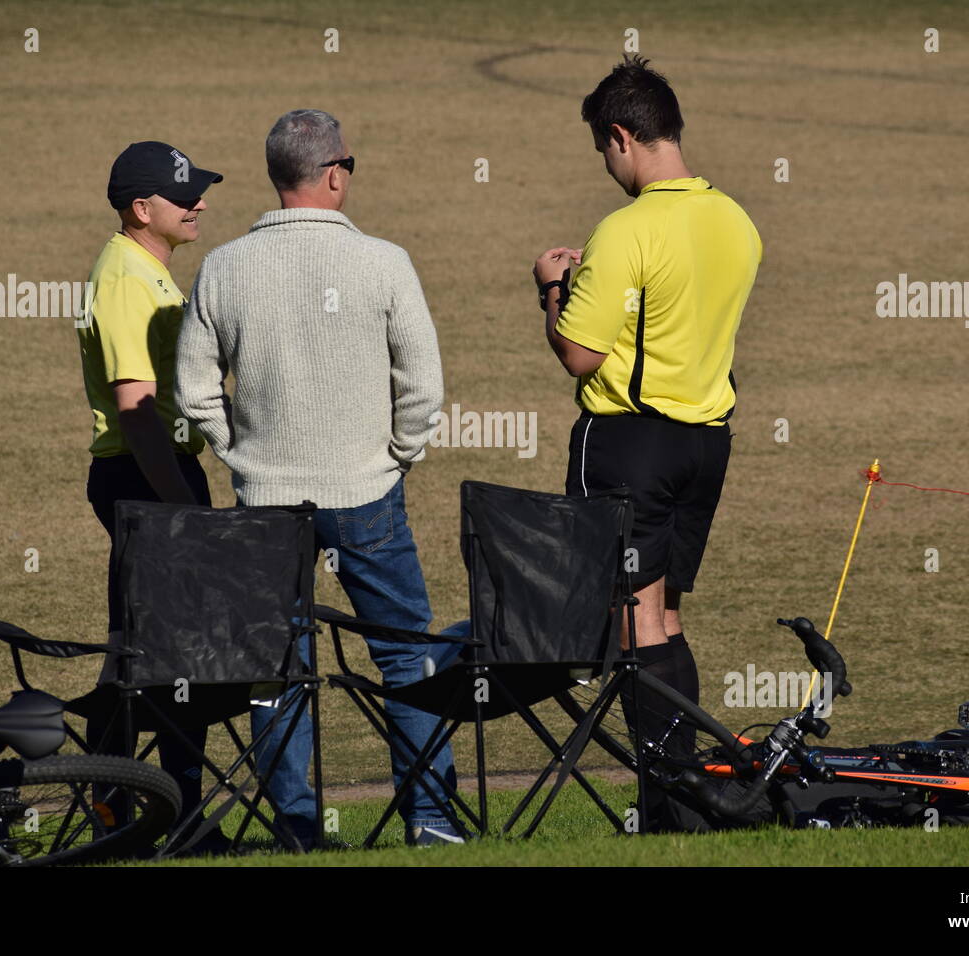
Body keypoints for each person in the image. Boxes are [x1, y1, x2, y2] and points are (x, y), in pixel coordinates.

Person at [174, 109, 463, 847]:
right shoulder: (384, 262)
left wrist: (240, 452)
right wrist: (398, 455)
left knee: (276, 666)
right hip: (367, 492)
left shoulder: (224, 266)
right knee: (405, 654)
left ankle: (298, 827)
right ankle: (431, 821)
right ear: (334, 174)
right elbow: (423, 384)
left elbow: (194, 391)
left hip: (265, 501)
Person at [532, 56, 762, 832]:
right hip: (706, 442)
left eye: (604, 148)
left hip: (630, 444)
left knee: (632, 625)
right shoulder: (737, 220)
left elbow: (579, 354)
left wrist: (552, 289)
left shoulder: (625, 229)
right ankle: (684, 802)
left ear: (622, 137)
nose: (606, 164)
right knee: (664, 620)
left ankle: (673, 807)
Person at [77, 140, 227, 850]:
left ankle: (149, 814)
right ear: (142, 209)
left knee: (150, 655)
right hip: (148, 479)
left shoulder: (145, 269)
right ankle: (149, 817)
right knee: (161, 659)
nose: (200, 204)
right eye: (185, 195)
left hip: (157, 475)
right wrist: (184, 513)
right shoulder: (125, 278)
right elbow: (136, 410)